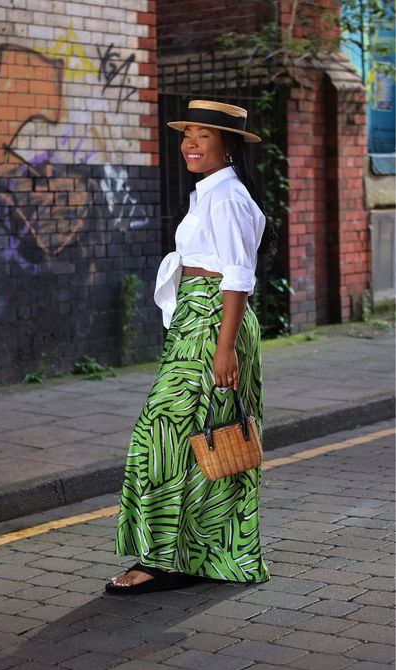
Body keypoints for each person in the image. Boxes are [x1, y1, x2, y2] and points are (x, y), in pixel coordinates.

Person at [106, 99, 271, 594]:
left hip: (214, 321)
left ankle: (160, 561)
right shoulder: (209, 194)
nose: (191, 143)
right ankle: (199, 556)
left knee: (163, 435)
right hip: (196, 318)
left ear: (228, 146)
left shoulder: (228, 197)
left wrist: (224, 348)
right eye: (187, 134)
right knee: (203, 439)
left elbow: (238, 277)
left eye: (204, 134)